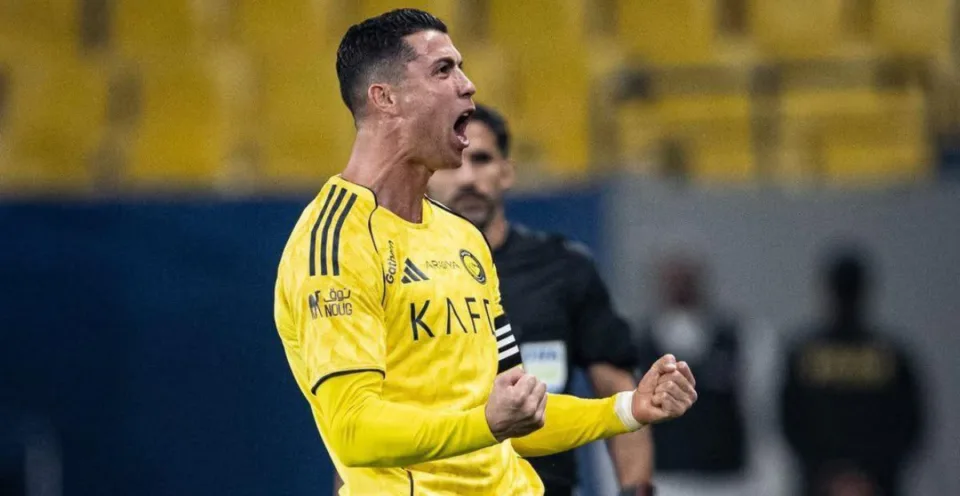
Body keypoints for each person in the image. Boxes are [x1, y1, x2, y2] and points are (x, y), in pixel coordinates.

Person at [273, 8, 698, 496]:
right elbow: (354, 432)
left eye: (461, 67)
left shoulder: (463, 239)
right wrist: (488, 424)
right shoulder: (334, 244)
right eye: (443, 70)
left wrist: (627, 408)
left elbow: (519, 411)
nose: (468, 85)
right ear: (385, 98)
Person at [426, 104, 655, 496]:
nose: (467, 177)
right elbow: (365, 412)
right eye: (453, 162)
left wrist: (637, 490)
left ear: (506, 172)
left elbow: (618, 390)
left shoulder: (565, 267)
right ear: (426, 176)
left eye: (481, 159)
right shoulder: (398, 273)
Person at [779, 246, 924, 496]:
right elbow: (908, 424)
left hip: (822, 482)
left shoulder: (805, 354)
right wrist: (870, 474)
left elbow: (791, 421)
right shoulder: (890, 356)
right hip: (876, 482)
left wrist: (828, 474)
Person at [633, 250, 750, 495]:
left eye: (687, 278)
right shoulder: (638, 348)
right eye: (674, 278)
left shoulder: (738, 341)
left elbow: (758, 414)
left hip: (727, 481)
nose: (681, 286)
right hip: (666, 480)